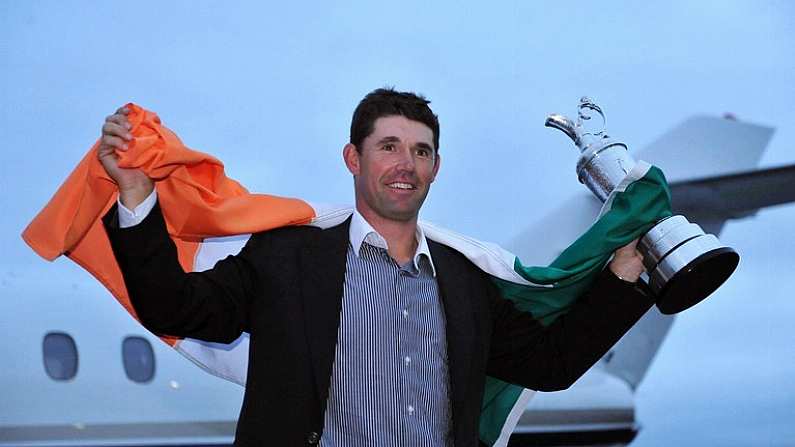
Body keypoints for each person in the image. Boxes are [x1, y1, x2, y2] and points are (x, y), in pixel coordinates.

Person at [99, 88, 652, 447]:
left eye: (421, 151)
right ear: (353, 159)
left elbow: (550, 364)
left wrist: (624, 273)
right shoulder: (287, 258)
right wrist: (137, 199)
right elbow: (176, 308)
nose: (405, 165)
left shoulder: (465, 282)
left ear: (436, 167)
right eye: (388, 146)